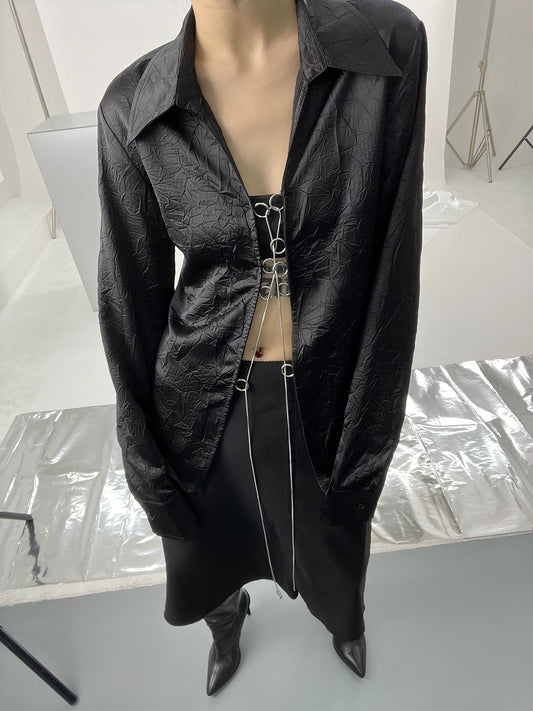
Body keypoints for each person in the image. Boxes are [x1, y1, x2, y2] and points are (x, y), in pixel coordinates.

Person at [96, 0, 428, 696]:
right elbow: (128, 302)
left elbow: (393, 263)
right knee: (208, 548)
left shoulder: (384, 48)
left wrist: (372, 425)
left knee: (335, 542)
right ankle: (226, 624)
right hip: (199, 403)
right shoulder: (133, 106)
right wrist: (147, 468)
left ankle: (342, 618)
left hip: (329, 390)